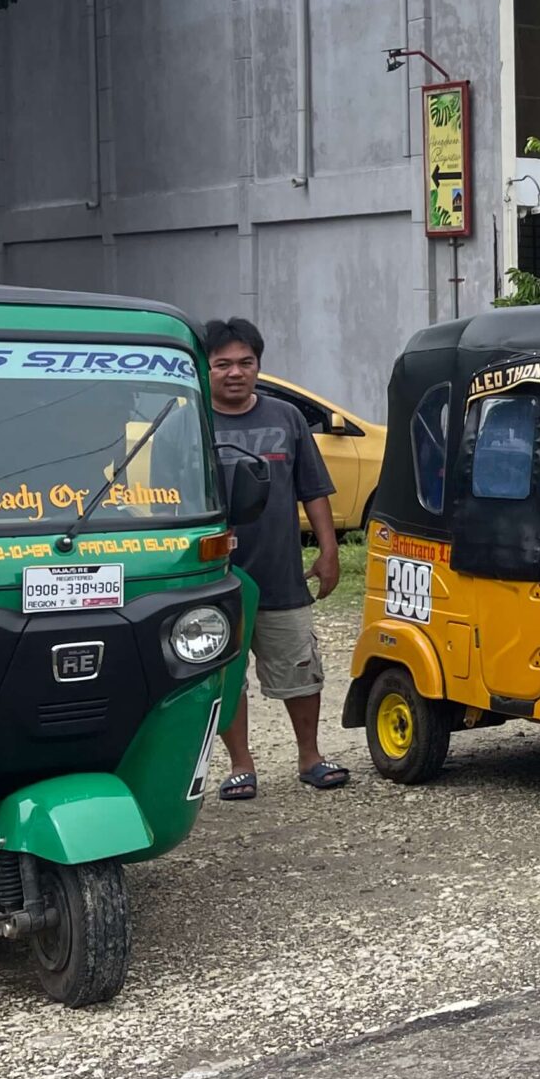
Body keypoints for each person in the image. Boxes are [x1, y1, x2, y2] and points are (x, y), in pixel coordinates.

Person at [204, 317, 345, 797]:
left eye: (245, 362)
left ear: (258, 366)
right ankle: (241, 765)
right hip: (212, 577)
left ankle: (311, 757)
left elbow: (315, 489)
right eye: (222, 363)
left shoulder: (285, 417)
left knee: (301, 668)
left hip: (282, 571)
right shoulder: (191, 419)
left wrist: (329, 551)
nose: (234, 372)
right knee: (224, 674)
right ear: (206, 369)